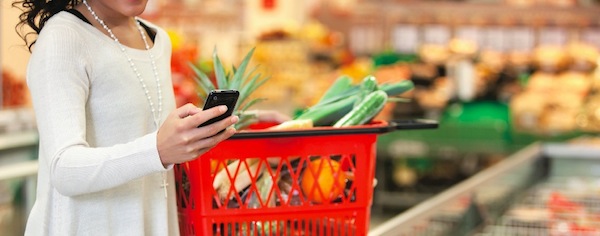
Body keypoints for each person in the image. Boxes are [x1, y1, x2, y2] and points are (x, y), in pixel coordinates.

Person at [13, 0, 289, 235]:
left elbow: (144, 125)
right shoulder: (64, 37)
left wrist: (238, 120)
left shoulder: (157, 39)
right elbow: (64, 169)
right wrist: (157, 150)